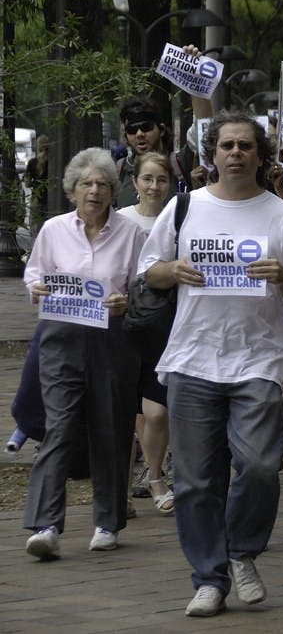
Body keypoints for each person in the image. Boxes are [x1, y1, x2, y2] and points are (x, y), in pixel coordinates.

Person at [138, 111, 283, 617]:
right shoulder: (185, 207)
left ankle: (242, 553)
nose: (235, 153)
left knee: (260, 466)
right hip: (194, 357)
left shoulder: (282, 215)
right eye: (227, 145)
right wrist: (171, 270)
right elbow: (148, 272)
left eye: (245, 146)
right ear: (212, 154)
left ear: (260, 156)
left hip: (258, 359)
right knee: (195, 479)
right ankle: (208, 577)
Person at [22, 148, 146, 560]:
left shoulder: (131, 234)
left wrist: (127, 301)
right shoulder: (54, 229)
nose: (94, 191)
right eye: (86, 184)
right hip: (60, 338)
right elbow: (36, 273)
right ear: (72, 190)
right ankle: (45, 524)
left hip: (112, 340)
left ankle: (107, 521)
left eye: (102, 184)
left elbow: (143, 287)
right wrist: (36, 288)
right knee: (59, 426)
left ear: (113, 191)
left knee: (110, 427)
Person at [117, 151, 175, 514]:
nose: (154, 186)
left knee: (156, 413)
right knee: (123, 412)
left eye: (162, 179)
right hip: (124, 326)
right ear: (135, 182)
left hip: (164, 326)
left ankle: (155, 476)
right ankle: (117, 492)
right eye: (148, 178)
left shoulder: (177, 219)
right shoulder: (120, 220)